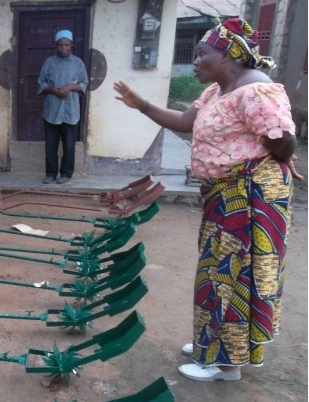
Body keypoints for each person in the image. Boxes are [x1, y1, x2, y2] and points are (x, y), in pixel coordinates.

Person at [113, 17, 300, 382]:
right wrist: (142, 105)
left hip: (248, 198)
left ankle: (225, 364)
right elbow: (184, 121)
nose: (195, 61)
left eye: (202, 54)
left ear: (230, 55)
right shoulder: (219, 90)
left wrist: (273, 160)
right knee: (218, 271)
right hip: (227, 195)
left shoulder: (254, 90)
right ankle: (213, 343)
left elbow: (283, 141)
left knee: (234, 274)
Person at [37, 29, 89, 185]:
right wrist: (54, 91)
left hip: (71, 112)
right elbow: (41, 83)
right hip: (52, 111)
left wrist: (70, 87)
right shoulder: (49, 62)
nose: (64, 48)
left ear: (71, 45)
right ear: (56, 46)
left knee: (69, 145)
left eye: (67, 45)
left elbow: (84, 84)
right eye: (61, 45)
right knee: (50, 146)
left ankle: (66, 174)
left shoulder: (78, 63)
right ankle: (51, 174)